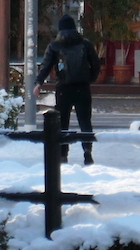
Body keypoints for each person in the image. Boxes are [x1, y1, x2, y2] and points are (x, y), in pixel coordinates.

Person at [36, 13, 99, 165]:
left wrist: (39, 82)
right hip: (82, 87)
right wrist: (89, 79)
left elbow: (46, 66)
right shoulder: (85, 44)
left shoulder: (55, 46)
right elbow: (96, 65)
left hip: (64, 88)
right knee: (85, 121)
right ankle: (87, 152)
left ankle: (63, 154)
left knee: (62, 122)